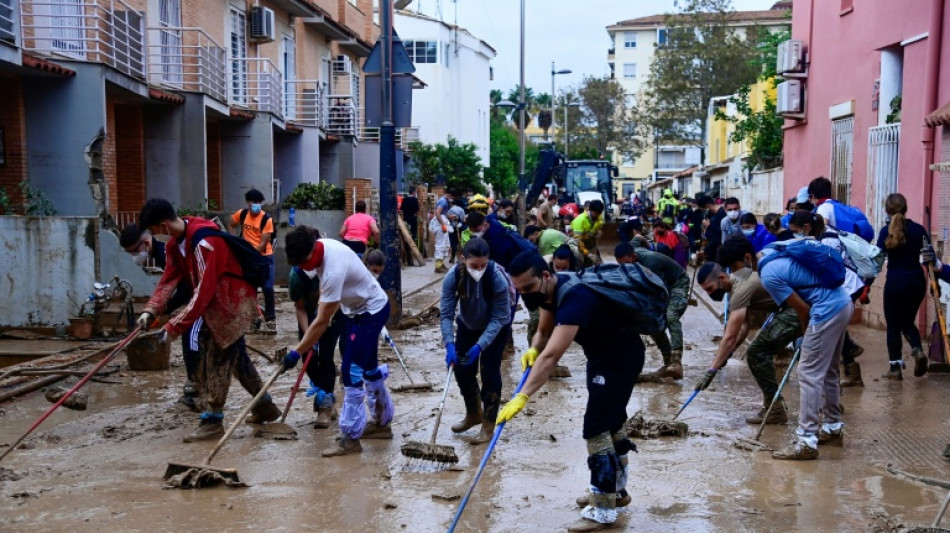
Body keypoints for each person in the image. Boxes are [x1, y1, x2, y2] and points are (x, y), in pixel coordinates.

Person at [499, 252, 643, 531]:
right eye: (519, 290)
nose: (525, 294)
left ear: (545, 276)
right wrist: (533, 348)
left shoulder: (575, 297)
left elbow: (552, 356)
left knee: (596, 428)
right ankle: (616, 492)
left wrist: (522, 396)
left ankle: (603, 510)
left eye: (528, 287)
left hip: (620, 359)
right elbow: (544, 332)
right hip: (600, 357)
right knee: (611, 423)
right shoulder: (549, 291)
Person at [138, 199, 281, 442]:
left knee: (217, 357)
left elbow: (203, 292)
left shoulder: (205, 242)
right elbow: (168, 280)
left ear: (163, 226)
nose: (156, 237)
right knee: (238, 358)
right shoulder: (175, 245)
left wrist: (173, 327)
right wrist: (151, 310)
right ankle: (264, 405)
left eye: (154, 231)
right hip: (216, 304)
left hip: (232, 303)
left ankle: (212, 421)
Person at [284, 228, 393, 456]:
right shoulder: (321, 249)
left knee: (350, 371)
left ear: (312, 249)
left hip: (371, 310)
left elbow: (323, 321)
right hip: (356, 310)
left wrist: (296, 352)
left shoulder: (332, 268)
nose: (303, 267)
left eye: (303, 262)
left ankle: (351, 438)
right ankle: (382, 423)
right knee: (369, 368)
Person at [759, 234, 854, 460]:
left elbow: (803, 309)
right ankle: (832, 428)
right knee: (829, 370)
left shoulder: (768, 275)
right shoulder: (778, 250)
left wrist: (805, 336)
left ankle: (806, 441)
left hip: (827, 309)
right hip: (843, 303)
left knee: (808, 372)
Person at [695, 236, 802, 425]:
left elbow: (730, 336)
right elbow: (744, 328)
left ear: (722, 278)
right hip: (791, 307)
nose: (711, 294)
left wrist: (712, 369)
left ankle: (775, 409)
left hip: (796, 309)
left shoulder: (741, 288)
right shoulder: (736, 285)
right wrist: (726, 356)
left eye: (710, 289)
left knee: (757, 352)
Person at [440, 238, 513, 445]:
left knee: (489, 373)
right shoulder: (453, 276)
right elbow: (446, 314)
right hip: (468, 324)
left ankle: (488, 426)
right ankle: (473, 413)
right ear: (463, 259)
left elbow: (499, 318)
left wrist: (480, 345)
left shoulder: (497, 278)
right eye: (474, 266)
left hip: (495, 327)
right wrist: (449, 344)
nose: (479, 270)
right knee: (461, 370)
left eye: (483, 265)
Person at [121, 223, 201, 411]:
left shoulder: (166, 254)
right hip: (195, 297)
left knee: (191, 339)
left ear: (146, 243)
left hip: (204, 297)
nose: (134, 257)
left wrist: (164, 311)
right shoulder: (160, 254)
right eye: (130, 253)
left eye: (135, 252)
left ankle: (194, 392)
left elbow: (185, 288)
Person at [789, 210, 866, 387]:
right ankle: (851, 365)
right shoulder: (822, 235)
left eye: (796, 231)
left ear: (806, 227)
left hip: (846, 284)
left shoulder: (827, 240)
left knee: (834, 325)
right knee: (837, 328)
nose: (795, 235)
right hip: (843, 283)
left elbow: (828, 269)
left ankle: (847, 362)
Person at [288, 226, 344, 429]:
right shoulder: (296, 276)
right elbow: (300, 308)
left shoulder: (331, 267)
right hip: (309, 317)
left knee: (326, 357)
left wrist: (324, 321)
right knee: (307, 359)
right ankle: (324, 394)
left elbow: (336, 301)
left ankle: (325, 404)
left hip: (331, 315)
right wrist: (308, 336)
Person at [617, 241, 689, 381]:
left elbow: (660, 290)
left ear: (633, 256)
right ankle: (667, 361)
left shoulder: (651, 263)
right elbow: (637, 238)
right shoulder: (631, 253)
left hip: (677, 283)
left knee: (670, 315)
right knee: (652, 321)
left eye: (627, 264)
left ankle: (676, 361)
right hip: (660, 284)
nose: (625, 268)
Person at [877, 193, 928, 379]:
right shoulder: (919, 230)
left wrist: (866, 283)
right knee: (906, 321)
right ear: (905, 209)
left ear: (887, 210)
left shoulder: (885, 232)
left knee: (893, 325)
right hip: (917, 282)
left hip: (895, 283)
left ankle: (895, 368)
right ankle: (917, 349)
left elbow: (877, 260)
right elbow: (929, 257)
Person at [229, 188, 276, 330]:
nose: (257, 204)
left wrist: (249, 253)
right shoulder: (242, 214)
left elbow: (263, 243)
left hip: (264, 257)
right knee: (250, 288)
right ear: (248, 202)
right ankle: (254, 317)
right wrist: (234, 241)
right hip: (249, 257)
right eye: (254, 202)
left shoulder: (266, 219)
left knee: (267, 287)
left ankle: (270, 317)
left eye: (259, 202)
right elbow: (231, 223)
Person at [571, 200, 605, 267]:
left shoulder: (598, 215)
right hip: (577, 245)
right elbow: (578, 242)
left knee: (596, 264)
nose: (598, 216)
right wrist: (588, 254)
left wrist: (598, 230)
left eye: (599, 213)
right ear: (590, 210)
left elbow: (600, 224)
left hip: (590, 243)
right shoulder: (580, 221)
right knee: (580, 264)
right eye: (596, 213)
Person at [430, 189, 455, 273]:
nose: (453, 199)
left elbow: (443, 213)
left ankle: (441, 263)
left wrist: (449, 216)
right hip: (439, 224)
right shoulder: (443, 201)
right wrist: (443, 224)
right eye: (452, 197)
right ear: (450, 195)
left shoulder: (444, 201)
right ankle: (438, 266)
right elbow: (438, 213)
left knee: (445, 244)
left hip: (441, 222)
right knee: (441, 244)